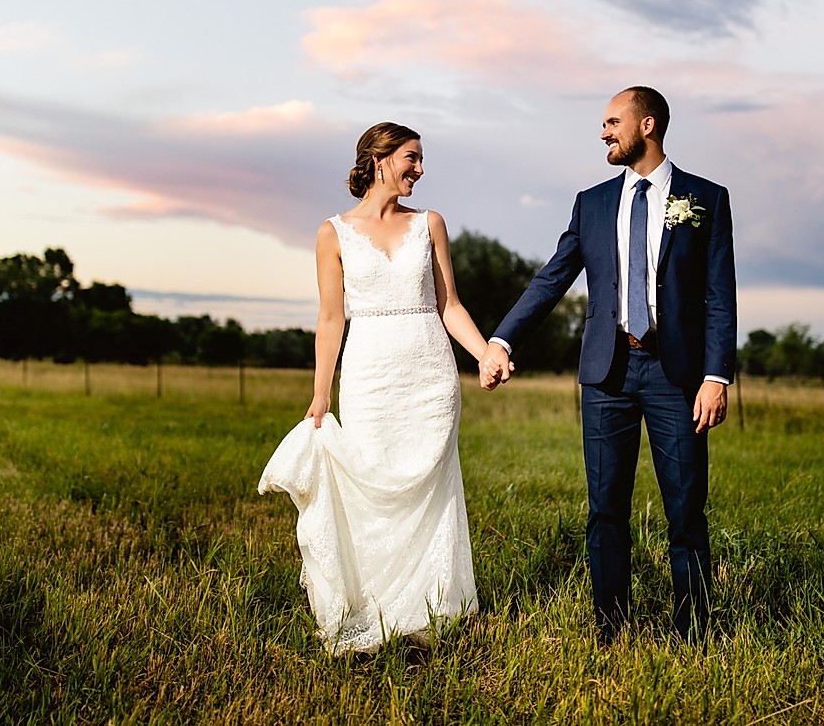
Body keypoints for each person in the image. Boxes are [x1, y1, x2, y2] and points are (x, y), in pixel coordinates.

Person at [480, 86, 736, 642]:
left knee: (686, 511)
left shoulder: (706, 199)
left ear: (647, 125)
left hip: (679, 377)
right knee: (605, 511)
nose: (603, 133)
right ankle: (610, 631)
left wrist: (716, 377)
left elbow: (719, 295)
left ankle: (693, 632)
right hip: (606, 375)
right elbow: (553, 278)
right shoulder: (591, 203)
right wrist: (502, 341)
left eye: (612, 122)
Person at [258, 122, 499, 654]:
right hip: (368, 378)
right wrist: (321, 393)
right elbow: (329, 319)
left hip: (430, 377)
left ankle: (429, 610)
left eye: (420, 158)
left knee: (432, 492)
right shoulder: (332, 233)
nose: (419, 168)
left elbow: (449, 305)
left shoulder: (430, 223)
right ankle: (376, 606)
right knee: (372, 488)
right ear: (379, 158)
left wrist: (484, 353)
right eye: (411, 157)